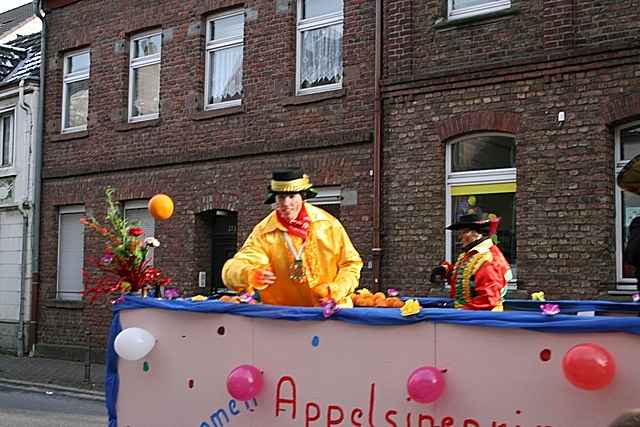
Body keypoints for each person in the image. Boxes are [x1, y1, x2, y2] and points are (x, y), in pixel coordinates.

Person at [222, 167, 363, 307]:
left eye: (292, 196)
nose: (286, 204)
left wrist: (334, 291)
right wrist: (249, 274)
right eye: (281, 197)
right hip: (287, 319)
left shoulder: (328, 225)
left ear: (302, 197)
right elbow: (232, 269)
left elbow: (351, 264)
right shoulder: (264, 232)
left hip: (329, 315)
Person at [430, 213, 511, 311]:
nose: (459, 237)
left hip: (481, 320)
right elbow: (465, 279)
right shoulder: (470, 253)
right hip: (466, 316)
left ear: (475, 233)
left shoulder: (489, 258)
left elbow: (488, 299)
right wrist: (445, 270)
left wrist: (459, 314)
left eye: (463, 233)